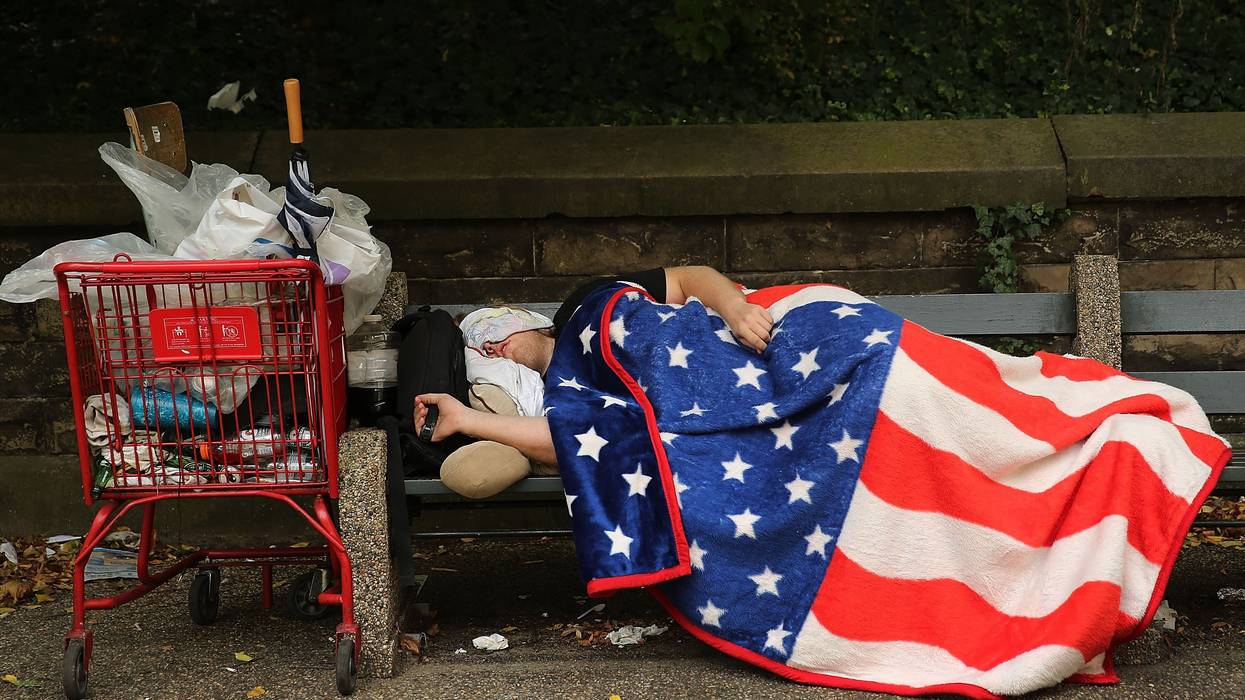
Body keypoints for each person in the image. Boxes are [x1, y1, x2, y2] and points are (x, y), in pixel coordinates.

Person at [417, 266, 772, 491]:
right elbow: (567, 438)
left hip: (742, 349)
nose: (490, 345)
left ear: (529, 320)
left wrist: (735, 307)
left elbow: (687, 277)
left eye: (488, 328)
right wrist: (464, 418)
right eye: (479, 350)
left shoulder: (583, 302)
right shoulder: (559, 394)